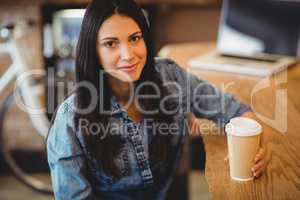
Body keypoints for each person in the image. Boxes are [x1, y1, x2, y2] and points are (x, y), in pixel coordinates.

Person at [46, 0, 266, 199]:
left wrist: (258, 148)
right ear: (93, 50)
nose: (128, 54)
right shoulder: (69, 120)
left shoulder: (170, 76)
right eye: (111, 43)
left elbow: (235, 109)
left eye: (135, 38)